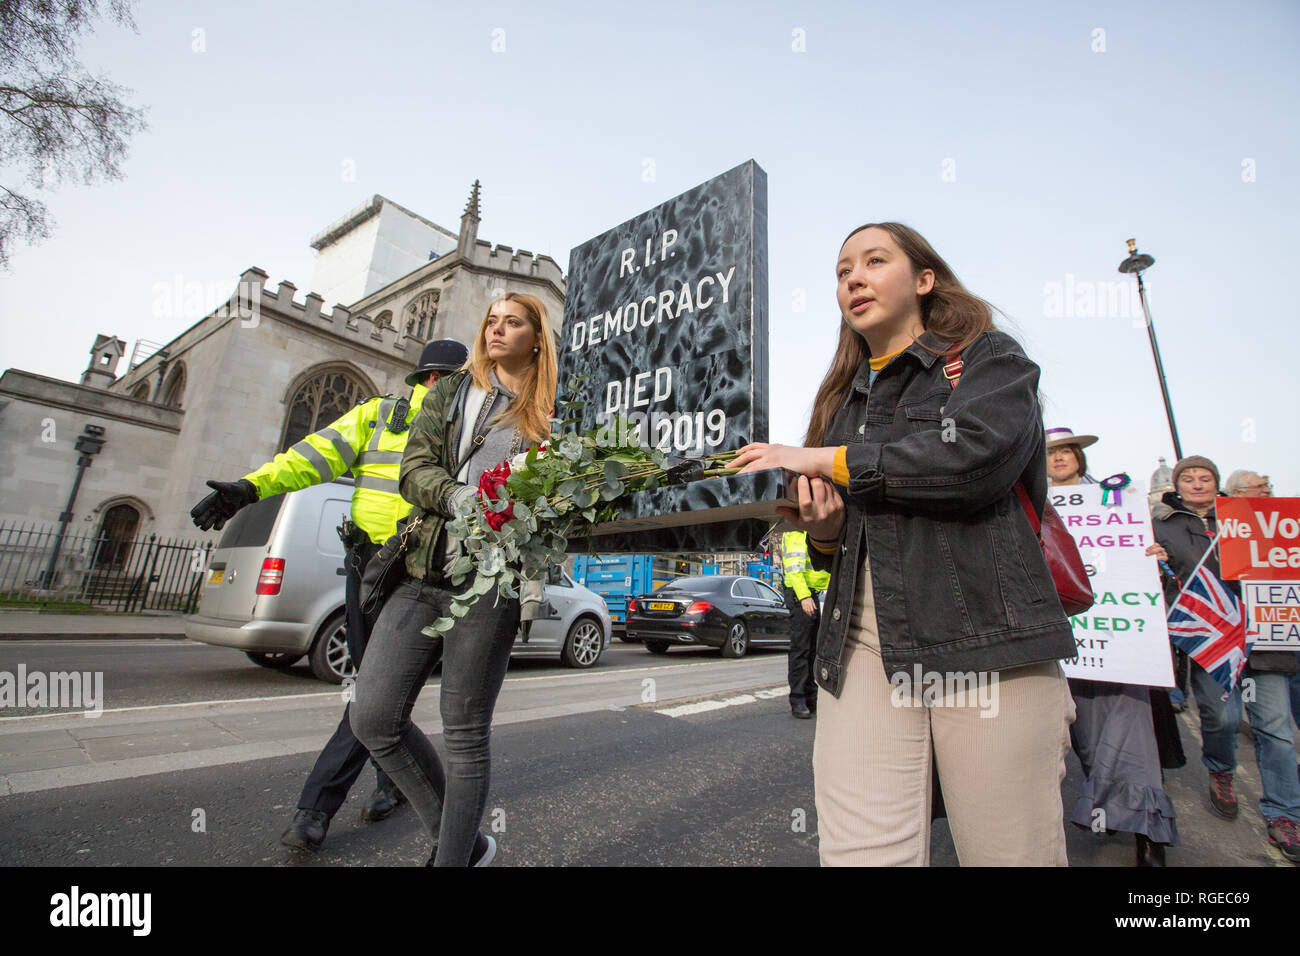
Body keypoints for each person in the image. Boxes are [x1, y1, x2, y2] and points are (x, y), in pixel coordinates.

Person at [733, 221, 1077, 866]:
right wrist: (827, 533)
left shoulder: (988, 361)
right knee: (860, 855)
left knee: (1009, 853)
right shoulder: (842, 399)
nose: (853, 278)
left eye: (873, 261)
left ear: (924, 280)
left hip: (984, 638)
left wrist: (821, 457)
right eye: (842, 271)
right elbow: (835, 546)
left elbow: (970, 462)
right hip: (860, 643)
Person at [190, 339, 469, 851]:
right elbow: (311, 457)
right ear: (424, 379)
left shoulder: (471, 430)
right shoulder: (379, 416)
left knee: (374, 697)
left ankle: (315, 808)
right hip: (370, 569)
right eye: (437, 379)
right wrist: (250, 489)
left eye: (453, 382)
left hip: (426, 575)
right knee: (378, 697)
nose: (442, 389)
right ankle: (393, 782)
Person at [350, 292, 556, 866]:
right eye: (491, 319)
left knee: (464, 733)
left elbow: (553, 509)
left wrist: (539, 496)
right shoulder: (449, 392)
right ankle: (464, 844)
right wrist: (461, 497)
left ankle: (452, 858)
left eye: (512, 322)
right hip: (421, 572)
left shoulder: (549, 414)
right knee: (372, 717)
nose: (497, 329)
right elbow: (413, 471)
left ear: (536, 338)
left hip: (490, 587)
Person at [1149, 454, 1300, 863]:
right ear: (1177, 486)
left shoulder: (1254, 517)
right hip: (1211, 635)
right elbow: (1148, 575)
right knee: (1223, 718)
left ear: (1217, 483)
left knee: (1277, 729)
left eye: (1206, 477)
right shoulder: (1161, 524)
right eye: (1189, 478)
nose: (1198, 484)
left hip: (1264, 635)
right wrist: (1154, 561)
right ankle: (1221, 769)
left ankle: (1285, 814)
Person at [1048, 427, 1182, 867]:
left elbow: (1139, 566)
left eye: (1067, 451)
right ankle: (1108, 808)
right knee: (1088, 741)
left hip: (1121, 647)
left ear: (1079, 458)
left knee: (1133, 739)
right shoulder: (1029, 508)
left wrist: (1154, 561)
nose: (1060, 459)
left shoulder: (1119, 504)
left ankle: (1150, 834)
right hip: (1068, 648)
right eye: (1051, 454)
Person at [780, 528, 829, 719]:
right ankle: (798, 698)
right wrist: (804, 596)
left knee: (813, 649)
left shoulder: (814, 533)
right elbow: (794, 571)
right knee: (801, 649)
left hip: (815, 594)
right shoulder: (795, 535)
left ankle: (811, 695)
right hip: (802, 595)